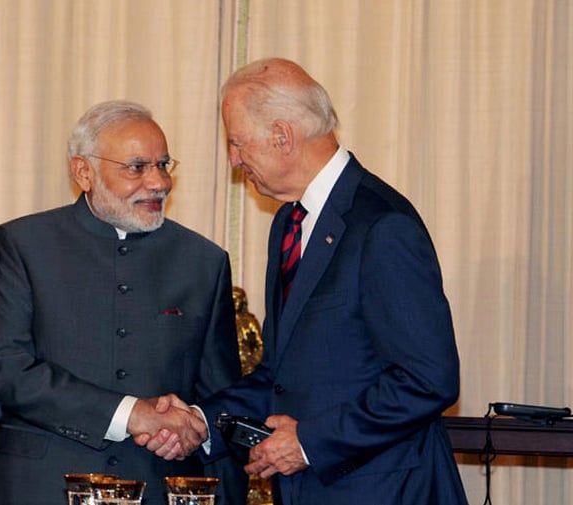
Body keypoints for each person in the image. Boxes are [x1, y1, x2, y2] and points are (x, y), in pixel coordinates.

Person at [145, 58, 469, 504]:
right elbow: (280, 376)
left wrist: (310, 442)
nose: (235, 161)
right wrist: (203, 420)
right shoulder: (289, 224)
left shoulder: (381, 225)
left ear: (282, 137)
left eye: (238, 144)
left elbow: (428, 379)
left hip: (386, 490)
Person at [0, 100, 247, 505]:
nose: (158, 183)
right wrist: (132, 413)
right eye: (137, 167)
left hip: (159, 484)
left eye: (163, 165)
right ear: (84, 172)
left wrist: (195, 429)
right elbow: (4, 367)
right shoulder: (24, 245)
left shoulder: (203, 261)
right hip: (39, 485)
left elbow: (222, 394)